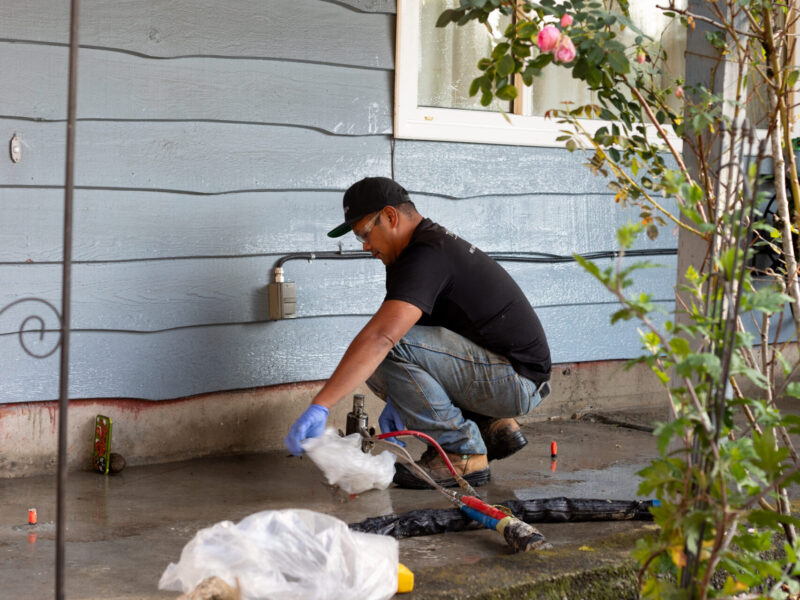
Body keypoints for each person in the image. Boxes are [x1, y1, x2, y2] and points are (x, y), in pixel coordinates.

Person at [284, 177, 551, 488]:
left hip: (515, 381)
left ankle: (462, 451)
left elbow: (384, 338)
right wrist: (400, 399)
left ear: (390, 217)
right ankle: (492, 427)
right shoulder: (420, 252)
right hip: (510, 373)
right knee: (385, 349)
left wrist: (321, 405)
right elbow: (424, 341)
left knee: (384, 347)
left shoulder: (427, 255)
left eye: (365, 235)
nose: (367, 247)